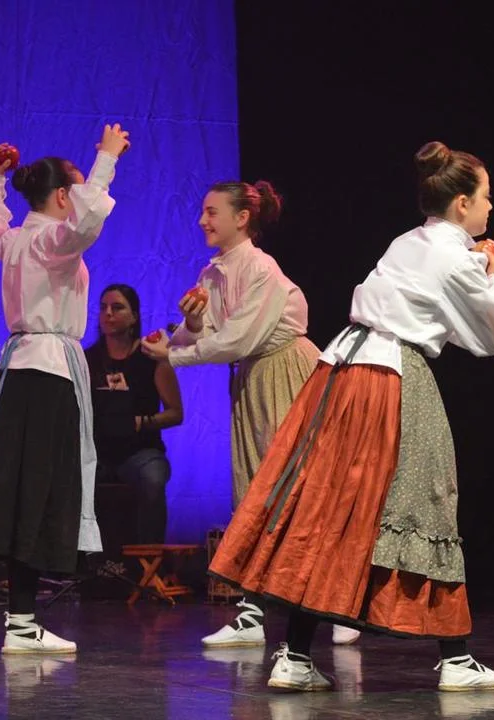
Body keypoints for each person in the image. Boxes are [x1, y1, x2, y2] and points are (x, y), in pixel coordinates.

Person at [205, 141, 494, 692]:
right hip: (388, 376)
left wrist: (484, 270)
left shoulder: (409, 241)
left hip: (340, 369)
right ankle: (456, 659)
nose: (492, 206)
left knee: (327, 505)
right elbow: (490, 332)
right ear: (462, 203)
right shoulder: (454, 255)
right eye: (486, 196)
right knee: (427, 497)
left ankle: (295, 655)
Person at [143, 180, 360, 647]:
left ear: (242, 218)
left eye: (212, 211)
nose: (202, 220)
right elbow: (209, 334)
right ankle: (252, 613)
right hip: (252, 379)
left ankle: (338, 603)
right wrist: (190, 326)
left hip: (285, 371)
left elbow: (238, 339)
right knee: (254, 493)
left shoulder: (261, 269)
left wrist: (174, 356)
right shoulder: (213, 272)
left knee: (301, 489)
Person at [0, 124, 131, 655]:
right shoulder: (51, 241)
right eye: (74, 189)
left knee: (21, 490)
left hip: (19, 375)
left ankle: (21, 618)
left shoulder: (17, 240)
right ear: (61, 196)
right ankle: (21, 621)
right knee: (37, 490)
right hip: (45, 376)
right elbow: (85, 223)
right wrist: (105, 160)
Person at [86, 283, 183, 544]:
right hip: (97, 454)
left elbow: (176, 413)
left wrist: (140, 422)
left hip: (141, 453)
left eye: (117, 308)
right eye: (103, 308)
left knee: (152, 479)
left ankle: (148, 559)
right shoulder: (87, 359)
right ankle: (84, 559)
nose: (108, 313)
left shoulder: (152, 357)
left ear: (134, 317)